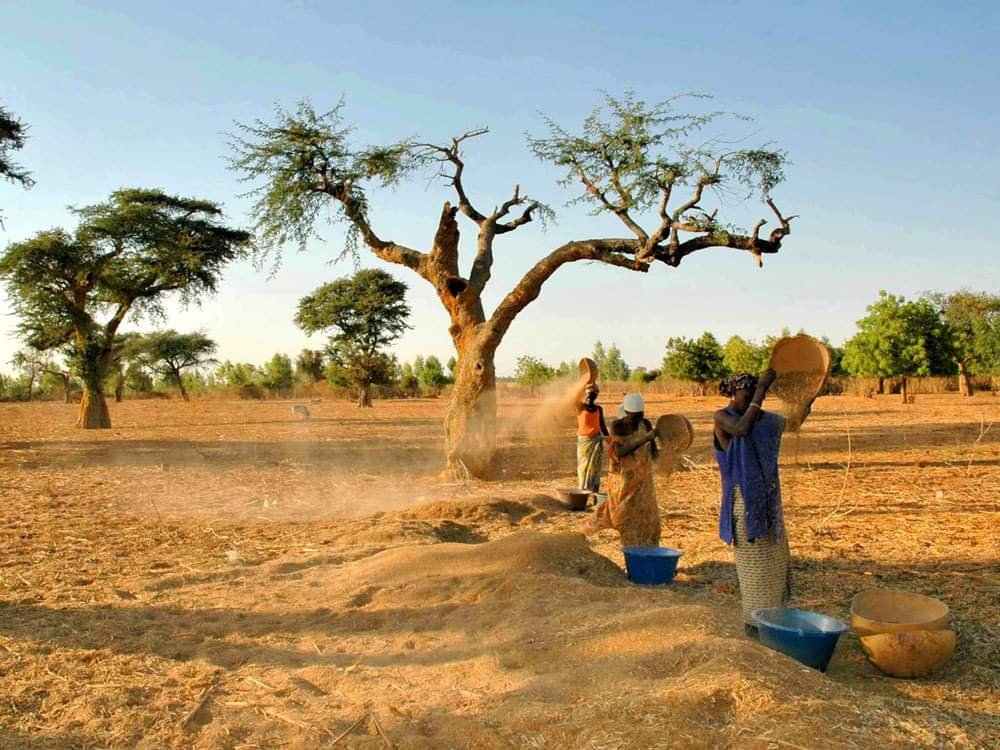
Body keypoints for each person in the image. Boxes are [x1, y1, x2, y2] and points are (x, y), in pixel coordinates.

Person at [713, 369, 792, 638]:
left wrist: (807, 398)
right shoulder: (723, 417)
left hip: (767, 501)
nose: (751, 402)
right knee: (754, 568)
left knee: (774, 563)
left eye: (755, 396)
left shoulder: (763, 419)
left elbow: (791, 422)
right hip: (743, 503)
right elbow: (741, 429)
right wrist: (761, 390)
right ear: (734, 392)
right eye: (746, 395)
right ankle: (754, 626)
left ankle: (775, 622)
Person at [586, 393, 661, 546]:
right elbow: (619, 453)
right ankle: (630, 548)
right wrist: (645, 439)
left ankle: (649, 549)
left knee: (649, 518)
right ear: (626, 413)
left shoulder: (645, 424)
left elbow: (653, 451)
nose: (638, 419)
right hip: (623, 481)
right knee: (623, 515)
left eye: (640, 415)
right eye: (634, 416)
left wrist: (669, 453)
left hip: (644, 481)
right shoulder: (617, 426)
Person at [576, 384, 609, 495]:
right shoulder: (580, 407)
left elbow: (602, 425)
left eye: (593, 395)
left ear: (596, 396)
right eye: (588, 395)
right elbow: (573, 397)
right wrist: (585, 383)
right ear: (585, 394)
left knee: (595, 469)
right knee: (583, 468)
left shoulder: (599, 409)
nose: (590, 398)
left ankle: (595, 494)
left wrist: (609, 439)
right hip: (584, 442)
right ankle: (583, 493)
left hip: (596, 440)